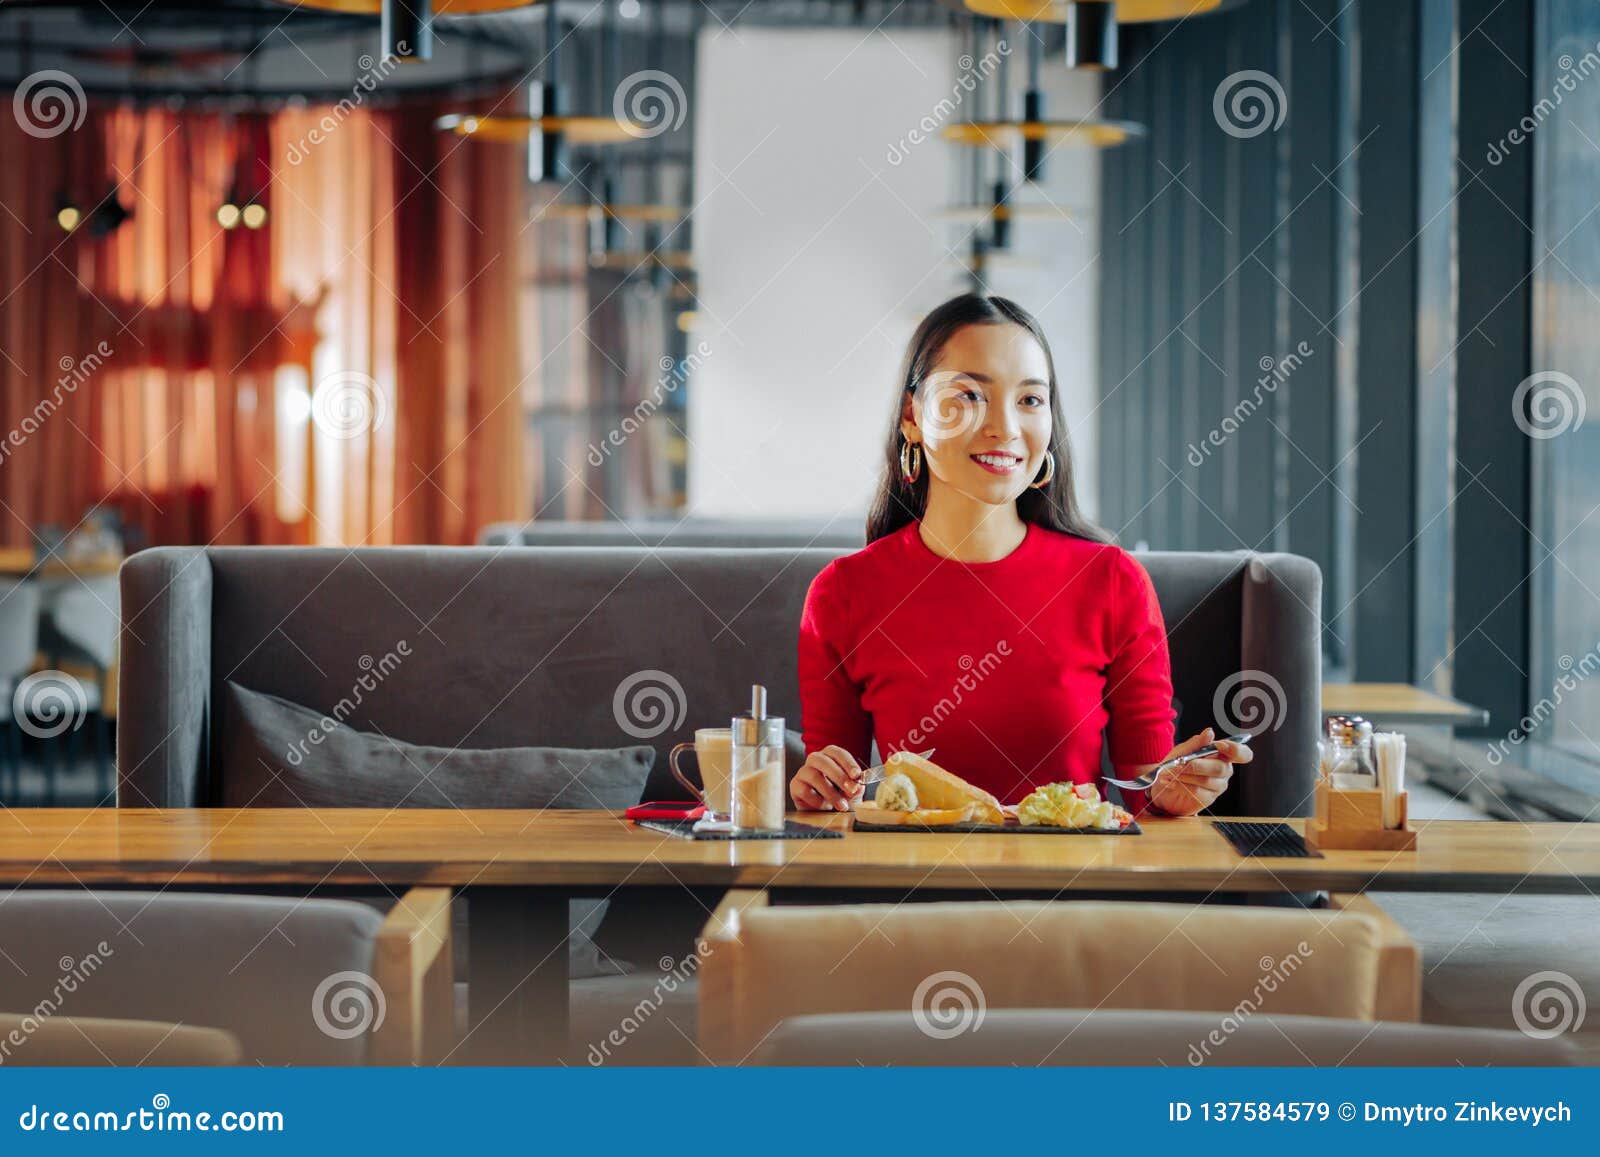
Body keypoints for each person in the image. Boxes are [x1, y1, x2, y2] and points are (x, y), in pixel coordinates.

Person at [793, 293, 1250, 815]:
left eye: (1030, 400)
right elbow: (837, 800)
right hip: (913, 885)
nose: (1005, 428)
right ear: (913, 417)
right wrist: (820, 787)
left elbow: (1141, 796)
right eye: (969, 395)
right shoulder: (845, 593)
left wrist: (1170, 792)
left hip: (1074, 887)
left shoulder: (1113, 582)